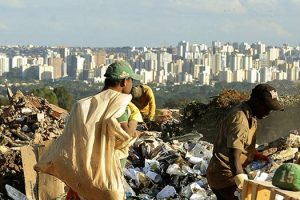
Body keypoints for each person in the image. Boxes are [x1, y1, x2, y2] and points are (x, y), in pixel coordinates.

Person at [36, 60, 143, 200]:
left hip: (81, 173)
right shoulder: (118, 105)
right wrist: (135, 117)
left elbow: (70, 138)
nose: (132, 85)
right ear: (123, 82)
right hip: (106, 173)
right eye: (131, 81)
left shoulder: (83, 105)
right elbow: (127, 135)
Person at [206, 84, 284, 200]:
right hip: (226, 177)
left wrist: (255, 154)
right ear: (256, 102)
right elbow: (234, 155)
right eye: (267, 108)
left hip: (220, 174)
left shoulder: (250, 114)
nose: (268, 112)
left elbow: (242, 145)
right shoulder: (240, 119)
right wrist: (242, 183)